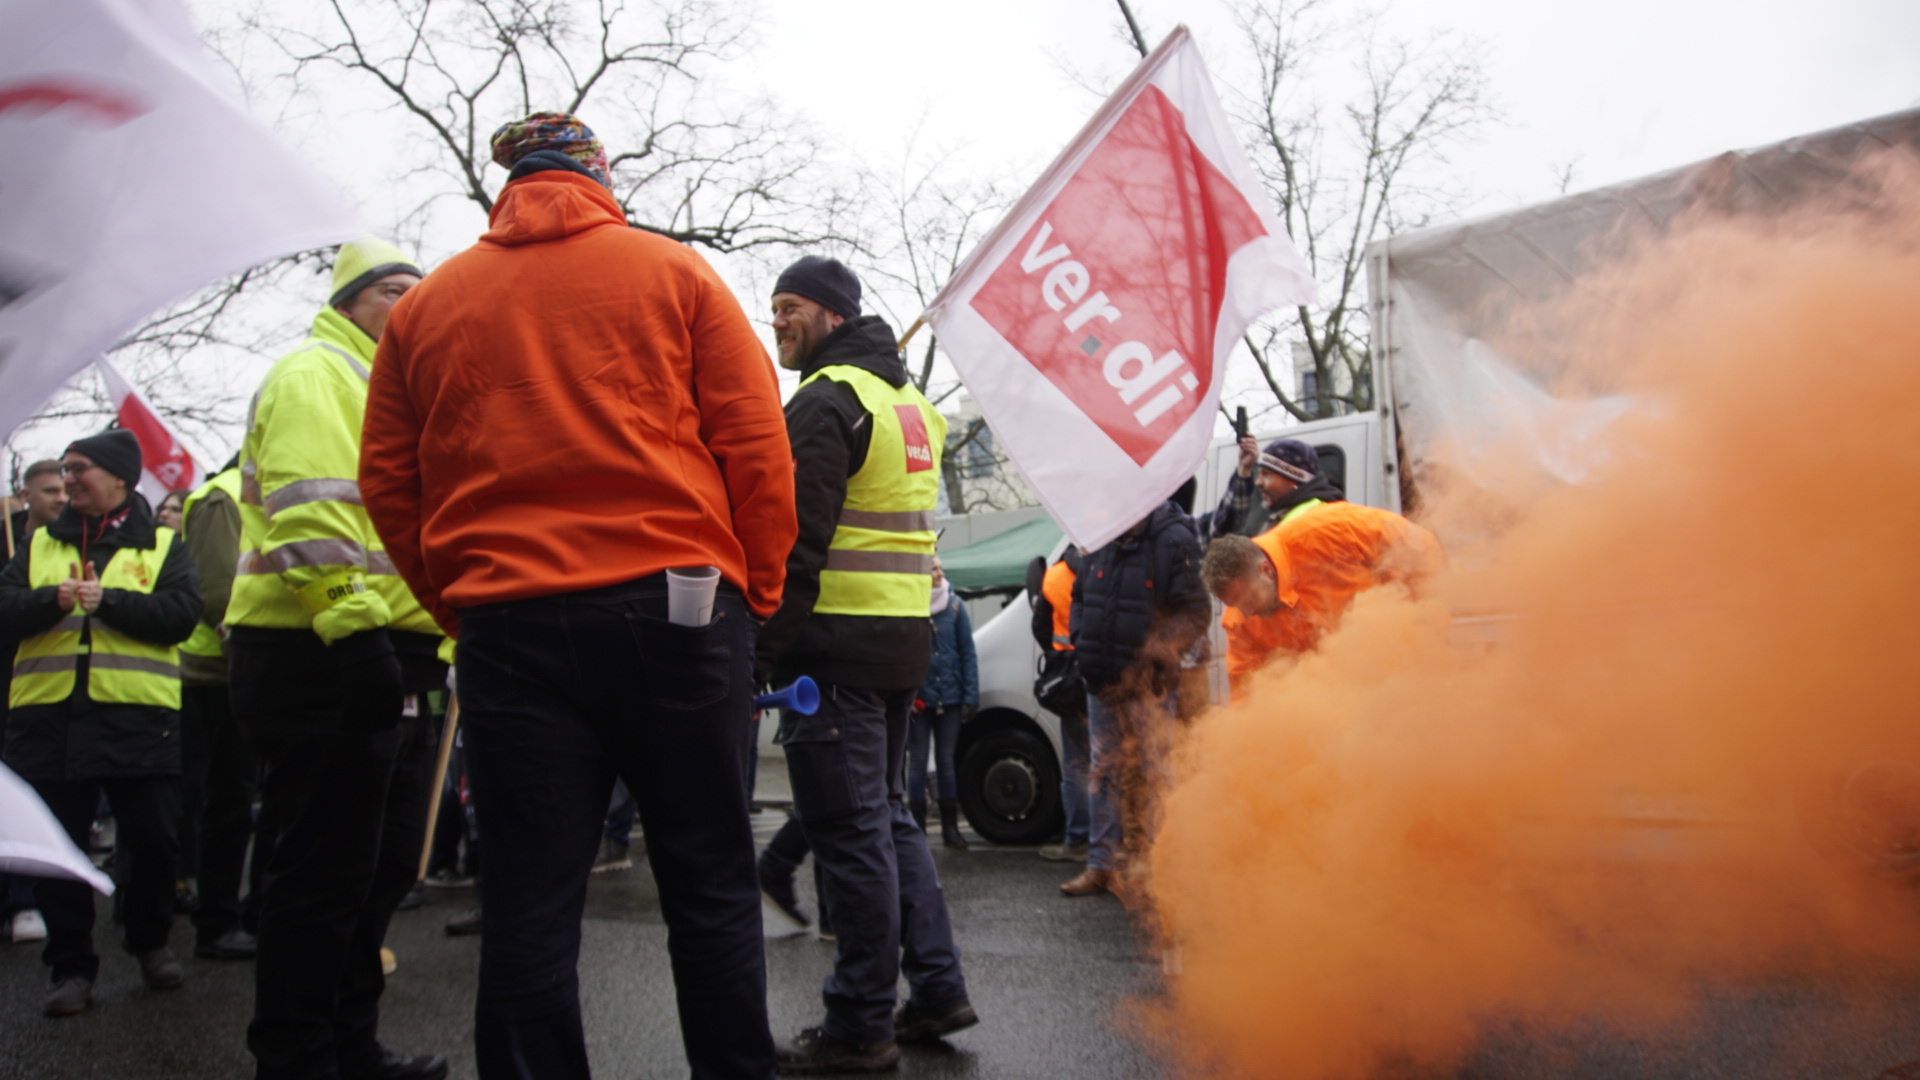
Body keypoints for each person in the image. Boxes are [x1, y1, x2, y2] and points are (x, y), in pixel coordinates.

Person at [358, 111, 794, 1080]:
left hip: (508, 622)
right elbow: (757, 443)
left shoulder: (427, 308)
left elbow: (387, 480)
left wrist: (457, 603)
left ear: (508, 186)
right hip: (677, 606)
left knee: (527, 900)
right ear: (598, 178)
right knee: (711, 881)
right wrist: (754, 590)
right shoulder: (672, 272)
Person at [226, 237, 450, 1080]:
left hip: (391, 654)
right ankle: (295, 1056)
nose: (412, 305)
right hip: (317, 654)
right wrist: (356, 638)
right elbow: (314, 519)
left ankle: (350, 1045)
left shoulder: (393, 391)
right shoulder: (316, 376)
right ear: (350, 301)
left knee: (381, 867)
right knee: (323, 872)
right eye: (395, 291)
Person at [755, 254, 977, 1073]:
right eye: (772, 306)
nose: (776, 319)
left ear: (833, 317)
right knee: (886, 822)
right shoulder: (913, 406)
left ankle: (858, 1026)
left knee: (852, 838)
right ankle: (939, 988)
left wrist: (759, 651)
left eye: (790, 307)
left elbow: (794, 546)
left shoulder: (825, 403)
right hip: (899, 647)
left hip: (834, 658)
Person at [0, 430, 200, 1016]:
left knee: (155, 842)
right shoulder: (34, 546)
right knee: (61, 851)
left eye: (79, 467)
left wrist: (107, 602)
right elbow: (4, 609)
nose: (68, 479)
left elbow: (183, 615)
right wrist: (49, 602)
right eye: (63, 468)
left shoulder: (164, 545)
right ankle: (70, 967)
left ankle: (149, 941)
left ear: (119, 478)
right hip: (49, 723)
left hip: (138, 722)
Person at [1059, 501, 1209, 898]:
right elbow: (1078, 597)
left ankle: (1163, 868)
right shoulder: (1098, 539)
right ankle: (1101, 866)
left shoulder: (1174, 539)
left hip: (1150, 685)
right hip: (1101, 681)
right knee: (1102, 771)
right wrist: (1080, 640)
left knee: (1158, 772)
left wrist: (1156, 656)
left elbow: (1196, 612)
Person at [1201, 503, 1442, 697]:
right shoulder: (1239, 620)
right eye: (1236, 605)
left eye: (1250, 598)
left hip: (1403, 670)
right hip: (1340, 704)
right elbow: (1247, 695)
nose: (1247, 611)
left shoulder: (1331, 529)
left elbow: (1419, 546)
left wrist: (1419, 619)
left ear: (1266, 570)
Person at [176, 456, 262, 960]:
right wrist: (253, 658)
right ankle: (217, 921)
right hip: (218, 674)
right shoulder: (222, 496)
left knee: (239, 800)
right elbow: (217, 594)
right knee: (225, 802)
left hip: (246, 669)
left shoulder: (253, 492)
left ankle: (241, 914)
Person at [3, 459, 65, 945]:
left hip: (33, 692)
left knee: (25, 795)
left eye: (64, 490)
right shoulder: (10, 541)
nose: (60, 499)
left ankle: (23, 901)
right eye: (49, 491)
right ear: (25, 496)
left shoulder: (71, 545)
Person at [907, 556, 977, 849]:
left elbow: (967, 653)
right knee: (918, 762)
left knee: (947, 762)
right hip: (919, 701)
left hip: (950, 697)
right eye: (933, 569)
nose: (940, 573)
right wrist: (907, 696)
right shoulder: (910, 608)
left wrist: (971, 695)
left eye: (939, 568)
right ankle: (917, 831)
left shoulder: (955, 607)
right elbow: (904, 658)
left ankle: (950, 829)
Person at [1028, 547, 1088, 862]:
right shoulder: (1104, 565)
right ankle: (1115, 839)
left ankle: (1078, 838)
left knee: (1076, 761)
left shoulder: (1053, 575)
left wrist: (1055, 655)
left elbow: (1039, 627)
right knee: (1113, 759)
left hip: (1068, 679)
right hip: (1103, 671)